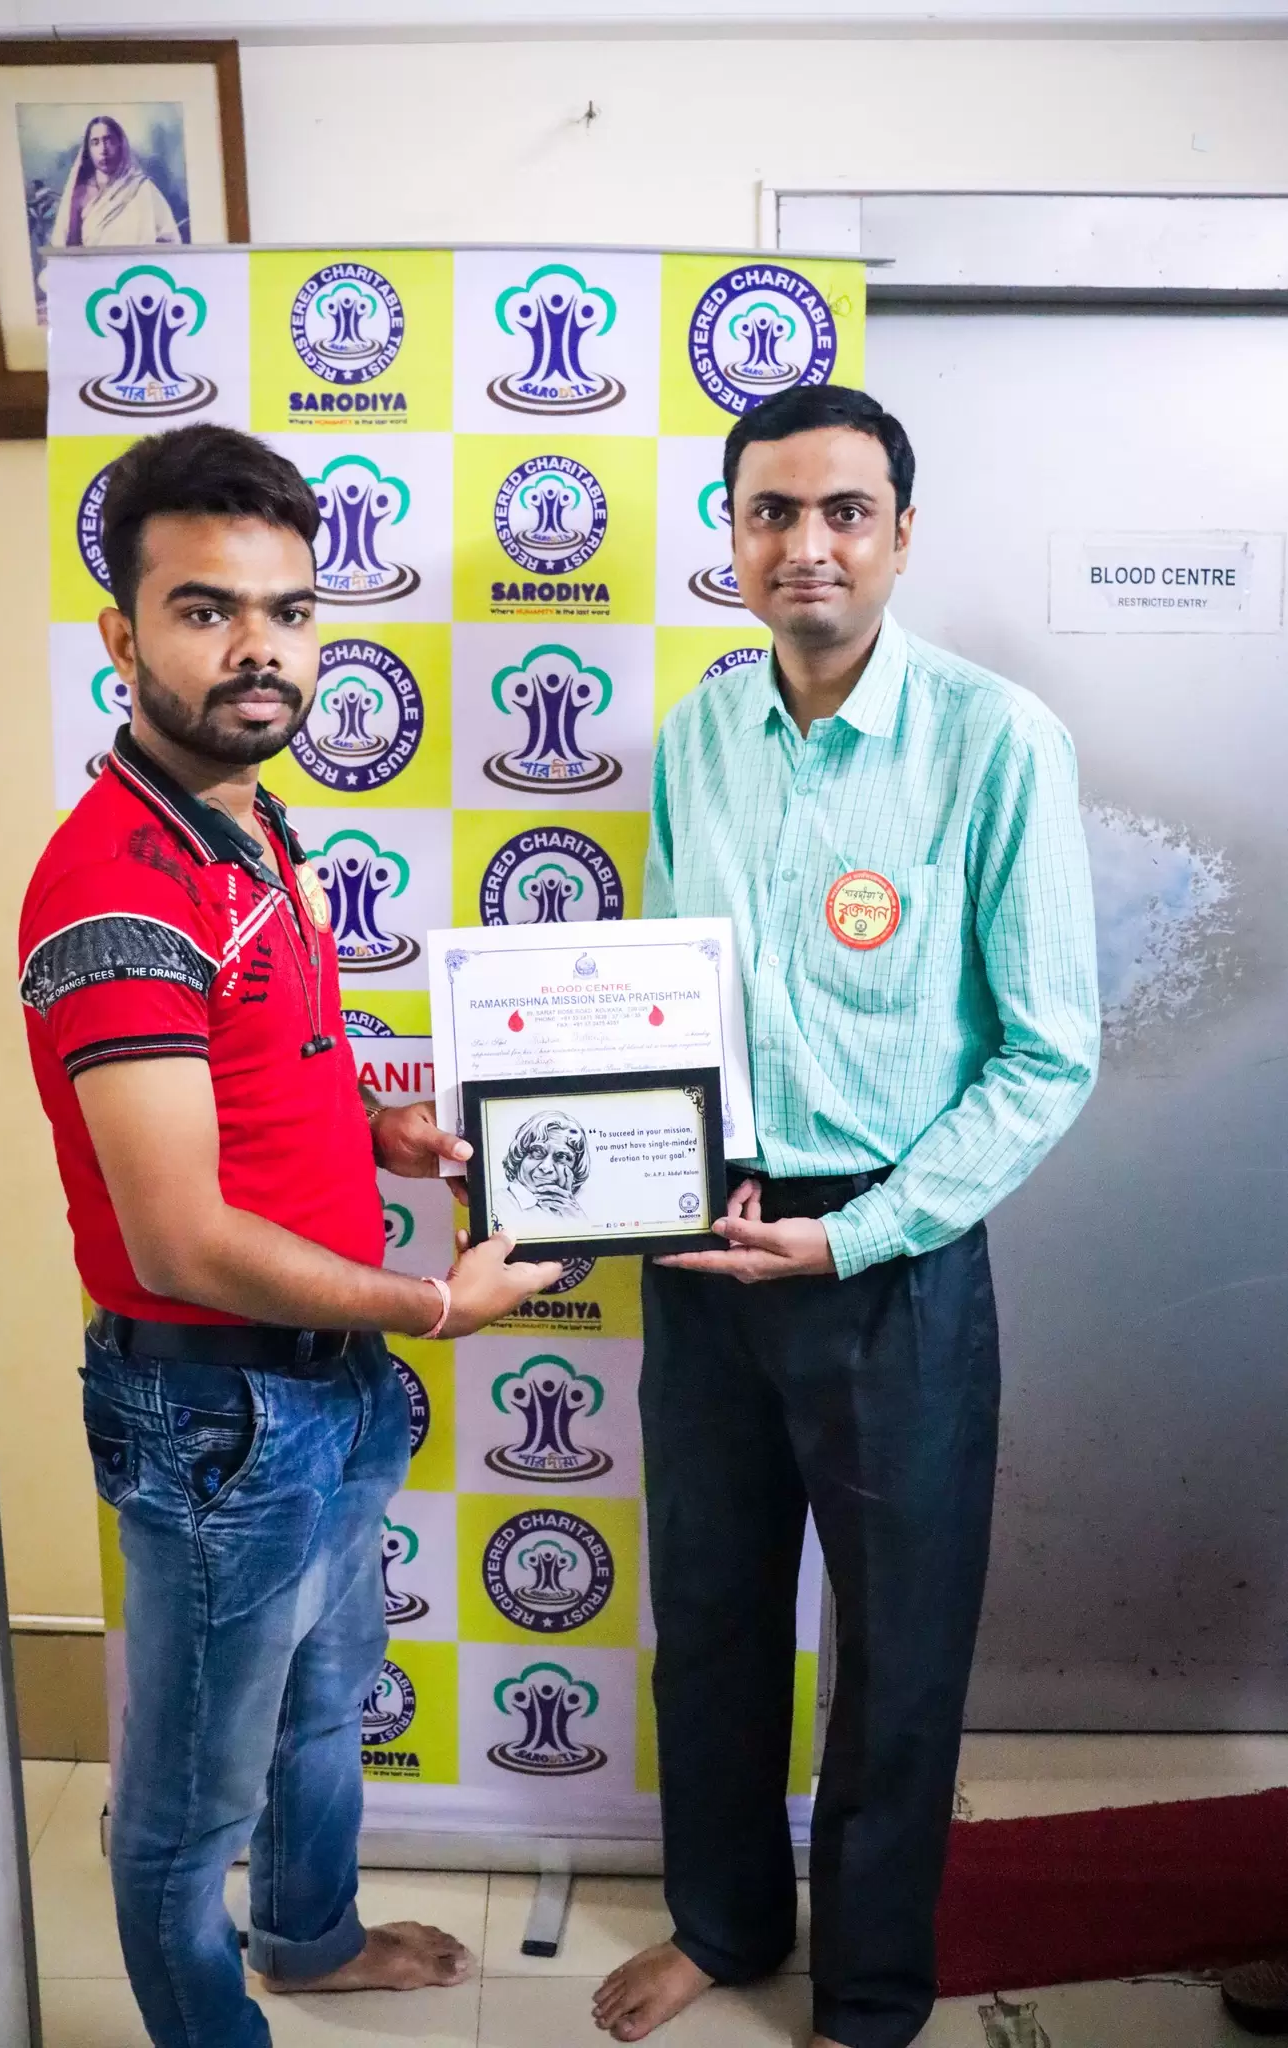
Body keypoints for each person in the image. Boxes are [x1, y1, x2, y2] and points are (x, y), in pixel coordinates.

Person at [19, 423, 561, 2048]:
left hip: (328, 1388)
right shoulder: (115, 888)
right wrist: (433, 1306)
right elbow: (179, 1238)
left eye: (289, 609)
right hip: (219, 1415)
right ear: (122, 636)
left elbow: (247, 1078)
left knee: (326, 1707)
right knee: (188, 1808)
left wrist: (370, 1130)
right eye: (205, 609)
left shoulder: (249, 822)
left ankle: (309, 1940)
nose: (258, 646)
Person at [593, 385, 1101, 2048]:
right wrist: (607, 1146)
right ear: (731, 535)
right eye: (771, 511)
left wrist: (864, 1229)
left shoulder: (993, 740)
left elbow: (1048, 1054)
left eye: (844, 511)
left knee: (897, 1652)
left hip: (894, 1259)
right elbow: (672, 1002)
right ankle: (726, 1922)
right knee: (712, 1618)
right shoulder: (697, 737)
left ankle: (870, 1994)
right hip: (710, 1241)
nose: (805, 543)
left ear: (900, 534)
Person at [51, 114, 182, 250]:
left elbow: (170, 240)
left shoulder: (142, 189)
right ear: (88, 150)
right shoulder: (79, 195)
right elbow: (68, 248)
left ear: (120, 144)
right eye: (95, 142)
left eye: (109, 140)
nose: (103, 150)